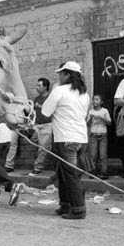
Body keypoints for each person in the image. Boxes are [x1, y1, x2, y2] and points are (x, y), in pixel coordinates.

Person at [41, 61, 90, 220]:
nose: (59, 76)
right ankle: (65, 204)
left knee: (70, 175)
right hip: (80, 138)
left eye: (61, 74)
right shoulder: (84, 94)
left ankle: (78, 209)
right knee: (63, 173)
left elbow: (45, 111)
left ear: (67, 75)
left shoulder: (59, 90)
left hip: (65, 138)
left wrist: (54, 92)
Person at [28, 78, 54, 176]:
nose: (37, 87)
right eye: (37, 85)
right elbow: (34, 113)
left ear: (45, 87)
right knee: (34, 142)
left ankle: (37, 168)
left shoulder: (50, 99)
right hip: (36, 125)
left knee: (43, 148)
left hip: (47, 125)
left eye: (39, 85)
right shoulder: (36, 99)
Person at [86, 94, 111, 179]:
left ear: (101, 102)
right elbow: (87, 124)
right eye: (93, 99)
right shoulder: (90, 111)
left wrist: (102, 118)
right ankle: (93, 172)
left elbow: (109, 123)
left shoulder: (105, 111)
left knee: (103, 155)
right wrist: (91, 118)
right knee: (93, 155)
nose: (94, 101)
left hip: (103, 135)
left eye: (97, 99)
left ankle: (104, 173)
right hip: (93, 134)